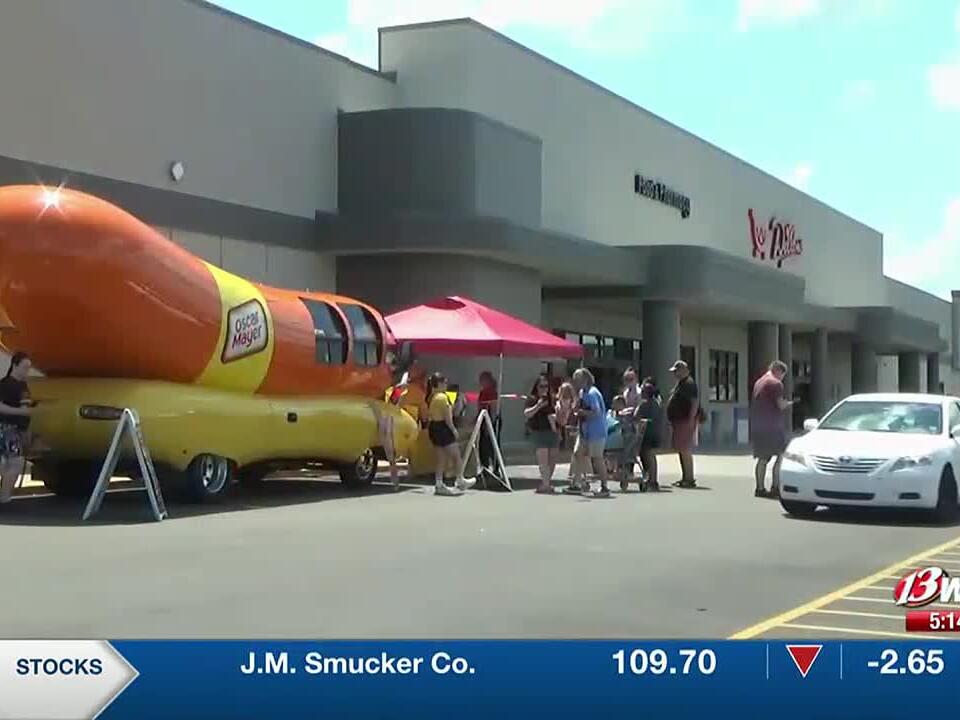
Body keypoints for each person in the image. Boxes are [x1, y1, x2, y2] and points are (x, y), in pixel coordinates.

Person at [426, 372, 475, 496]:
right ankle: (460, 480)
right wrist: (453, 430)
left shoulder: (432, 397)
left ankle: (439, 483)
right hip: (442, 428)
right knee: (456, 456)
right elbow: (448, 417)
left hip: (433, 427)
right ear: (440, 383)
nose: (446, 385)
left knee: (441, 458)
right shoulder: (443, 397)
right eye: (445, 382)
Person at [751, 360, 794, 499]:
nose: (782, 378)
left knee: (762, 458)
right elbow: (780, 405)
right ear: (778, 371)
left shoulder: (759, 382)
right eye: (783, 375)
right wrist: (788, 404)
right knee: (780, 456)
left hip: (758, 425)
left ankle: (759, 488)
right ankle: (775, 487)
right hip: (772, 426)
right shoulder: (776, 383)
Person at [566, 368, 610, 498]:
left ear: (585, 379)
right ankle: (576, 483)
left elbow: (595, 412)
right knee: (577, 454)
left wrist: (581, 412)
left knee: (597, 458)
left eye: (577, 379)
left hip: (596, 432)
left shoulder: (592, 393)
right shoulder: (581, 393)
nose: (575, 382)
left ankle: (604, 487)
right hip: (584, 431)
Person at [0, 352, 34, 504]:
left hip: (18, 428)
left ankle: (5, 496)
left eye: (29, 368)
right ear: (15, 365)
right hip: (7, 427)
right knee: (15, 462)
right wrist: (21, 411)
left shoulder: (23, 385)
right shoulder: (6, 384)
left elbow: (25, 404)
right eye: (24, 367)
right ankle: (5, 497)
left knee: (10, 463)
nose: (27, 371)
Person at [666, 360, 700, 489]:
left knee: (685, 449)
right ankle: (685, 477)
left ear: (683, 370)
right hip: (679, 420)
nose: (675, 374)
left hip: (685, 420)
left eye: (676, 371)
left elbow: (694, 402)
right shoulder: (681, 383)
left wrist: (691, 419)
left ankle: (689, 478)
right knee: (681, 449)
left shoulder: (689, 384)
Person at [524, 374, 559, 494]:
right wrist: (538, 406)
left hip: (553, 432)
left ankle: (546, 482)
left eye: (546, 386)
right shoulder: (532, 399)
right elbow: (527, 414)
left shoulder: (553, 399)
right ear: (536, 387)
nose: (544, 389)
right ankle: (545, 484)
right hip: (539, 432)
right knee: (543, 459)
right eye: (541, 386)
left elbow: (557, 414)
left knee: (552, 459)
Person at [636, 377, 663, 492]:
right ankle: (651, 479)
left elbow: (636, 416)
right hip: (652, 433)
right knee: (646, 456)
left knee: (648, 456)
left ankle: (652, 480)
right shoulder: (655, 403)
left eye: (642, 391)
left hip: (649, 434)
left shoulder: (646, 404)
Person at [476, 371, 501, 472]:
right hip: (483, 420)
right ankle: (484, 466)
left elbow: (494, 408)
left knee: (491, 444)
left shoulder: (491, 392)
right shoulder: (483, 392)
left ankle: (494, 467)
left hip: (490, 420)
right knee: (483, 445)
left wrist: (490, 424)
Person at [555, 381, 577, 451]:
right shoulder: (557, 404)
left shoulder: (574, 404)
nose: (565, 394)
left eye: (567, 391)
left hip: (572, 429)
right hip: (560, 429)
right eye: (563, 391)